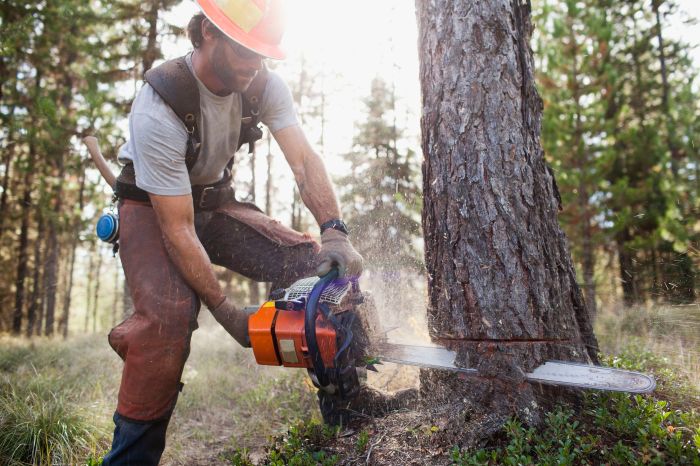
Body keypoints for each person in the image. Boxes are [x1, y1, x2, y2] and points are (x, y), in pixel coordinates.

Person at [101, 1, 363, 464]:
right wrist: (223, 310)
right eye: (244, 50)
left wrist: (334, 231)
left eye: (261, 54)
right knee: (168, 322)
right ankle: (129, 458)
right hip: (151, 207)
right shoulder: (159, 104)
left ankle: (349, 407)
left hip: (213, 201)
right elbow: (177, 227)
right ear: (205, 32)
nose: (253, 64)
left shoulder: (262, 84)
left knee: (315, 264)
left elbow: (302, 160)